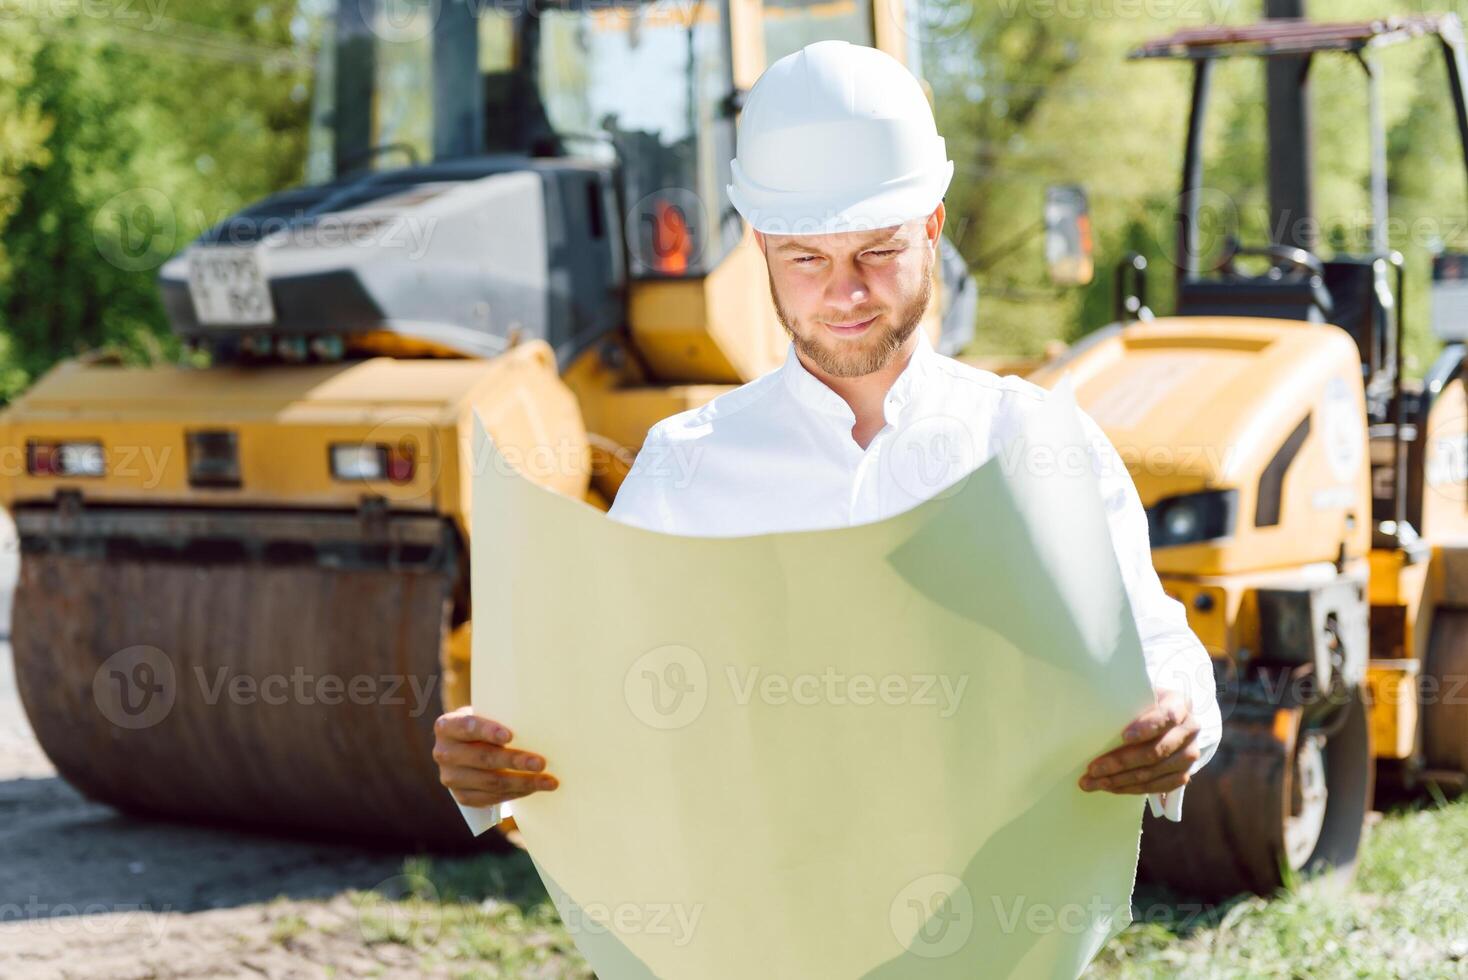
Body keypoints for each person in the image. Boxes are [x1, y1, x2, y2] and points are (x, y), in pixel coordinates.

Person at [434, 39, 1222, 838]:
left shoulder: (1035, 443)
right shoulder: (687, 467)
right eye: (807, 257)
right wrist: (490, 772)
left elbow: (1153, 644)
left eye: (877, 250)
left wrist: (1180, 716)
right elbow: (597, 692)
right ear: (761, 246)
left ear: (932, 227)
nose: (844, 291)